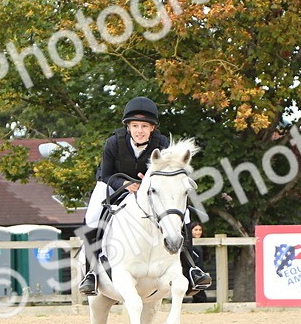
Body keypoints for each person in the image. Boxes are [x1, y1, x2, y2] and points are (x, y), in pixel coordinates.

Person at [77, 96, 212, 296]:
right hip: (113, 184)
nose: (139, 130)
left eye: (144, 126)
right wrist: (125, 184)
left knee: (185, 216)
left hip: (150, 188)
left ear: (152, 128)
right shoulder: (113, 142)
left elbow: (168, 171)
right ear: (128, 127)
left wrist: (149, 184)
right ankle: (91, 273)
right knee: (93, 215)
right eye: (135, 126)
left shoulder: (162, 142)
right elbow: (105, 175)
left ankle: (191, 268)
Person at [183, 222, 210, 303]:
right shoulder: (189, 245)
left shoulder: (202, 244)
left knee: (199, 294)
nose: (198, 232)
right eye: (196, 230)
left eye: (200, 230)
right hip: (192, 272)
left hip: (199, 272)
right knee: (199, 294)